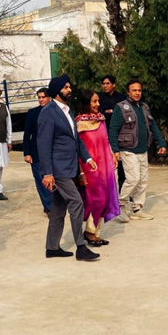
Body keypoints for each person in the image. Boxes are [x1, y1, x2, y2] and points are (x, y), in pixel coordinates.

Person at [37, 74, 100, 261]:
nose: (69, 89)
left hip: (69, 166)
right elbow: (43, 144)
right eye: (65, 87)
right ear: (57, 91)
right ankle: (81, 247)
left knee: (58, 208)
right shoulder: (48, 112)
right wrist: (48, 173)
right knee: (76, 202)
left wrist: (87, 158)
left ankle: (52, 247)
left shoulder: (67, 111)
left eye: (69, 86)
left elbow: (75, 139)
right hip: (58, 169)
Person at [108, 79, 168, 222]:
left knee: (142, 181)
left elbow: (153, 126)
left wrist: (161, 142)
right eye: (134, 90)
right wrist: (115, 150)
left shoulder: (144, 107)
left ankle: (137, 209)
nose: (137, 93)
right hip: (128, 150)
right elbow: (113, 129)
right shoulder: (121, 108)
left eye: (139, 90)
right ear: (128, 92)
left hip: (142, 149)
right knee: (133, 179)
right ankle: (120, 205)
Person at [75, 89, 121, 246]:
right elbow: (77, 150)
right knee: (96, 200)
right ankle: (89, 232)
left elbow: (106, 140)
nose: (97, 104)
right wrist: (81, 172)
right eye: (94, 101)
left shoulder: (101, 120)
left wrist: (112, 155)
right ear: (86, 103)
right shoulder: (79, 124)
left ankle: (95, 232)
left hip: (105, 167)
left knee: (105, 198)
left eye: (98, 101)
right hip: (90, 169)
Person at [22, 88, 52, 215]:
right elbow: (27, 134)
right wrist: (27, 153)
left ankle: (56, 205)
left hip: (53, 151)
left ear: (49, 98)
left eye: (43, 97)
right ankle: (48, 206)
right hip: (36, 152)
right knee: (41, 180)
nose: (41, 100)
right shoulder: (32, 113)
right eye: (39, 97)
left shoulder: (55, 112)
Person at [97, 75, 127, 191]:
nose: (105, 86)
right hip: (104, 135)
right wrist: (110, 113)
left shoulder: (121, 98)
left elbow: (123, 114)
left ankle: (123, 192)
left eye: (107, 83)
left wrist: (111, 112)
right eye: (103, 84)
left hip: (120, 135)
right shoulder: (99, 98)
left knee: (122, 167)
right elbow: (100, 114)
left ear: (113, 85)